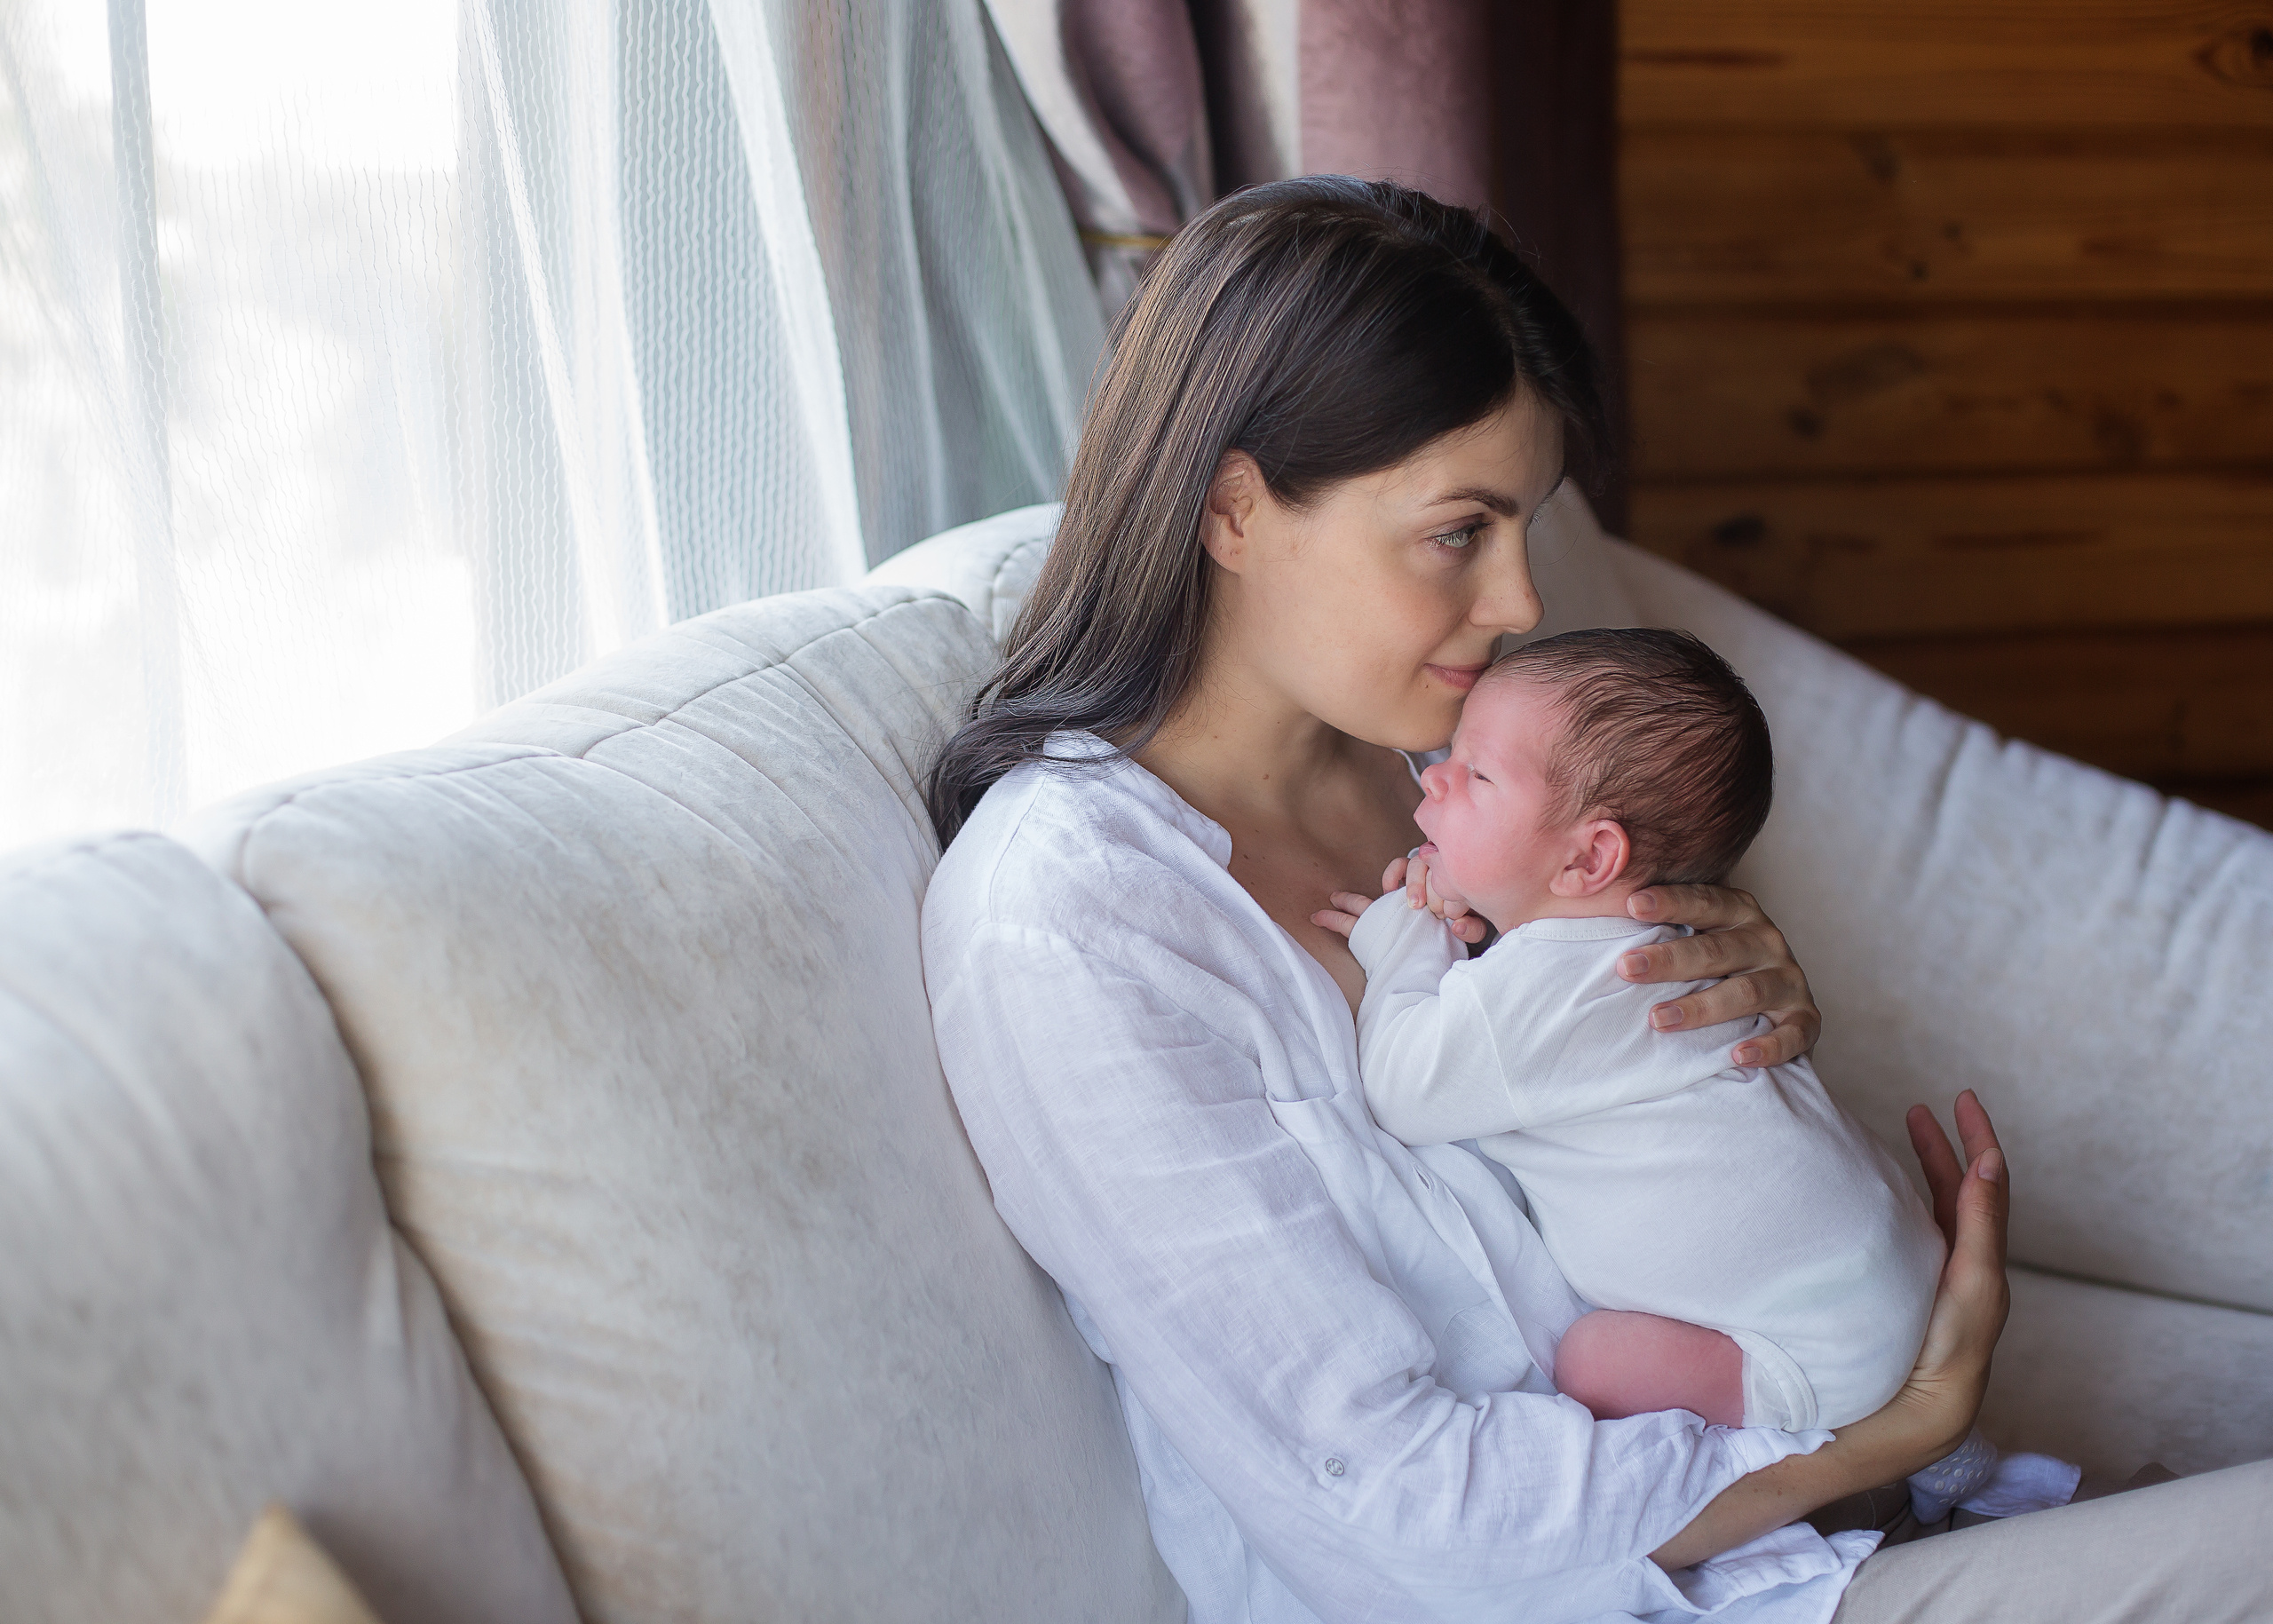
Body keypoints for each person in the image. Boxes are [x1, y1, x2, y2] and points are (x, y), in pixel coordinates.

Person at [919, 176, 2273, 1623]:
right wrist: (1885, 1430)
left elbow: (1625, 1105)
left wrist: (1741, 993)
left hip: (1821, 1502)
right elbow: (1392, 1504)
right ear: (1233, 505)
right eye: (1460, 529)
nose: (1516, 597)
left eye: (1529, 527)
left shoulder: (1437, 771)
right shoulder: (1073, 919)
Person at [1313, 628, 2070, 1526]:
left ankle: (1894, 1468)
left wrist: (1403, 933)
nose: (1432, 776)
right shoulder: (1665, 949)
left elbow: (1401, 1085)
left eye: (1473, 774)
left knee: (1593, 1360)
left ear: (1589, 859)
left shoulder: (1550, 987)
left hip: (1812, 1339)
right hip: (1891, 1262)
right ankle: (1955, 1468)